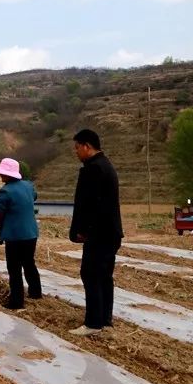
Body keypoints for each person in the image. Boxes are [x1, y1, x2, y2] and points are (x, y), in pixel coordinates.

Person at [68, 129, 123, 335]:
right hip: (110, 232)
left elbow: (89, 205)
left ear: (86, 146)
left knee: (90, 274)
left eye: (77, 147)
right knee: (104, 276)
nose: (76, 152)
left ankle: (93, 323)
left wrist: (82, 230)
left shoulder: (94, 169)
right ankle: (104, 319)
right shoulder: (106, 165)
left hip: (100, 233)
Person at [0, 158, 41, 309]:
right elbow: (34, 197)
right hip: (31, 234)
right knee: (29, 263)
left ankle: (16, 302)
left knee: (14, 268)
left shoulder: (5, 192)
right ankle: (35, 293)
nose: (0, 176)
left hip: (15, 236)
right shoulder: (28, 186)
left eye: (2, 173)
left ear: (7, 175)